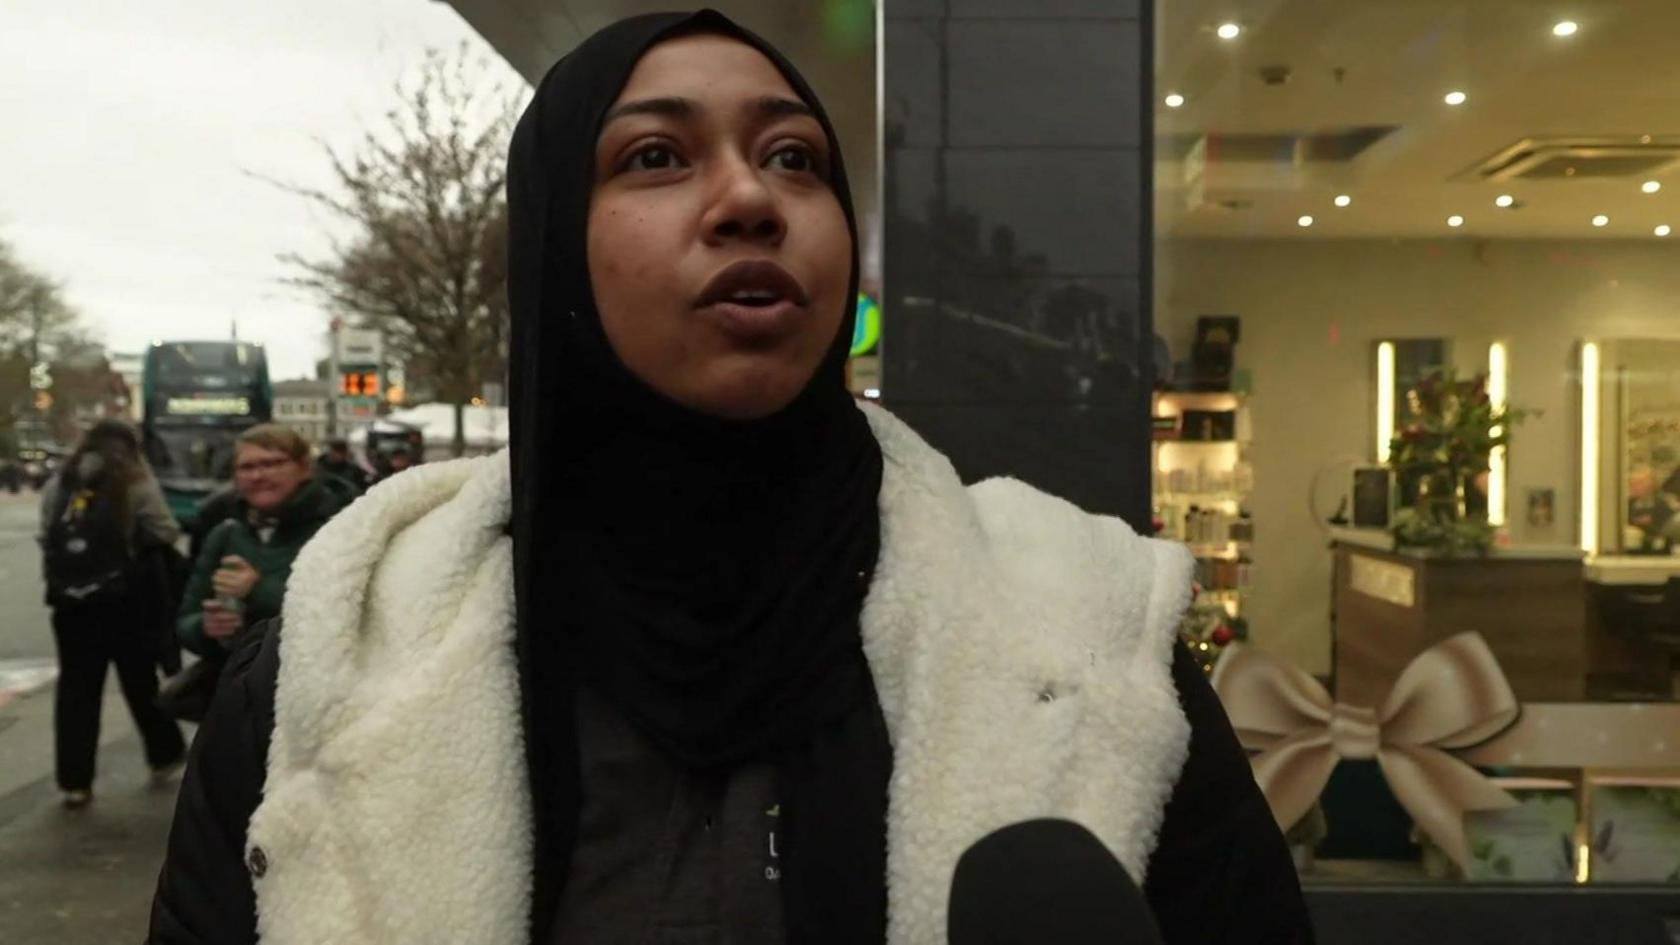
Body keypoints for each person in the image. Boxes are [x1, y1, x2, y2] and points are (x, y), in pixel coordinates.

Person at [149, 12, 1311, 945]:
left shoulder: (1094, 640)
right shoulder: (331, 670)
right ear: (555, 242)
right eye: (655, 155)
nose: (752, 199)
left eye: (794, 157)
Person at [39, 419, 185, 809]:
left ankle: (75, 781)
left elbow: (45, 533)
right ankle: (164, 753)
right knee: (138, 680)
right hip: (124, 599)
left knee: (76, 688)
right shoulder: (134, 480)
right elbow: (165, 530)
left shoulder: (61, 482)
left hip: (69, 603)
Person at [175, 425, 342, 661]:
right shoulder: (225, 534)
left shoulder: (340, 529)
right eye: (247, 467)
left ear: (304, 468)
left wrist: (258, 591)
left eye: (272, 463)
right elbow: (186, 619)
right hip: (240, 685)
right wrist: (206, 627)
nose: (258, 476)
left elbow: (343, 619)